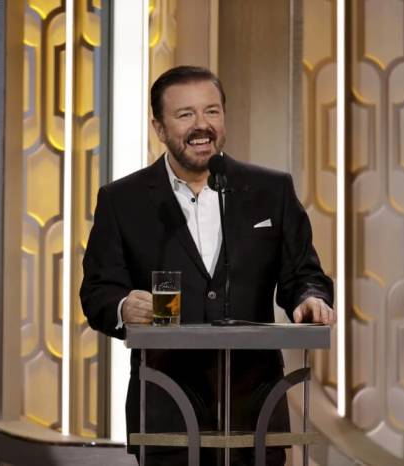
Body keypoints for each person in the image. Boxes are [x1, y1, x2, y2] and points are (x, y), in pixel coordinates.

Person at [80, 66, 335, 465]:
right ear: (159, 128)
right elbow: (97, 292)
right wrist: (123, 306)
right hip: (166, 411)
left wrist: (310, 299)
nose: (202, 126)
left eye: (212, 112)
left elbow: (304, 275)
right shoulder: (122, 201)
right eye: (185, 115)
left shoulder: (270, 190)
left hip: (255, 410)